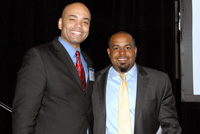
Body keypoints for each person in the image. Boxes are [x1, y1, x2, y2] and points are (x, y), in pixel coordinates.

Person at [12, 2, 94, 134]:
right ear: (60, 23)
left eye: (85, 22)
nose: (79, 26)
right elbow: (23, 115)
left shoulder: (87, 61)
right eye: (72, 19)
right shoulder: (39, 57)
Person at [92, 31, 182, 134]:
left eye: (127, 48)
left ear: (135, 51)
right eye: (116, 48)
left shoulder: (159, 81)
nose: (122, 53)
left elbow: (170, 124)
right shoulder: (93, 82)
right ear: (109, 52)